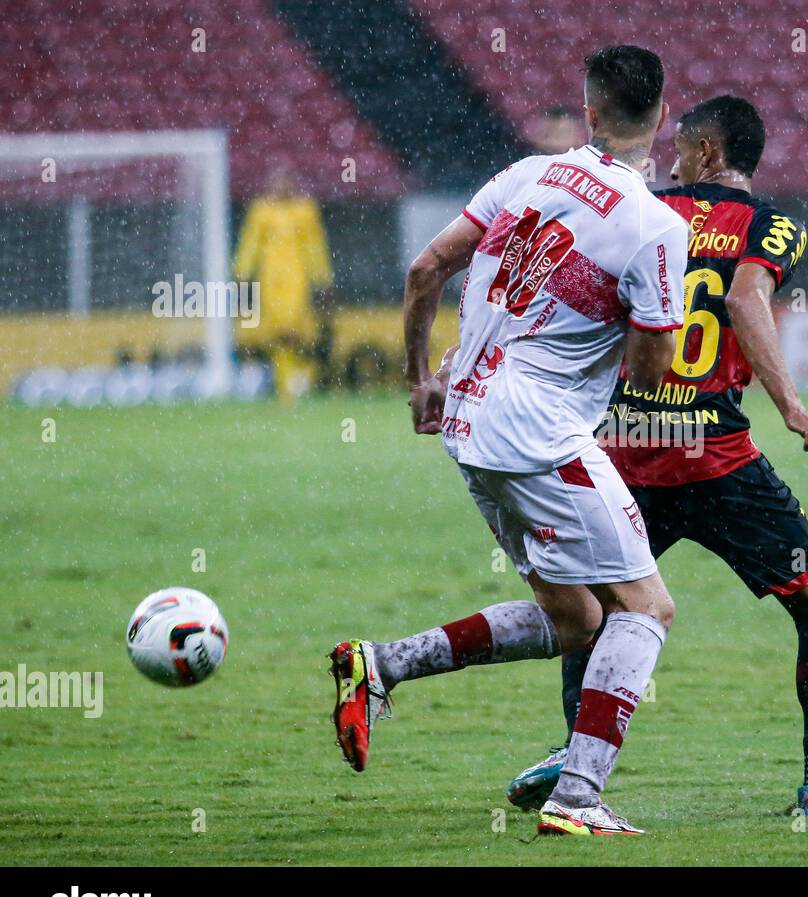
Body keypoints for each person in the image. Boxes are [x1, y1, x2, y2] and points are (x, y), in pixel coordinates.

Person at [329, 45, 689, 837]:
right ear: (662, 117)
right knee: (646, 609)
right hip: (537, 429)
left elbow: (427, 268)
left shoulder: (528, 175)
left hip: (466, 416)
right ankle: (578, 798)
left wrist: (420, 378)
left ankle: (381, 665)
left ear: (589, 114)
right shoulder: (656, 225)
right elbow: (657, 363)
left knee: (574, 622)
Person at [506, 96, 808, 817]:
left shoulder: (635, 208)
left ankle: (574, 751)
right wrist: (792, 407)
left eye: (680, 147)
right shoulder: (772, 226)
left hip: (625, 450)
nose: (669, 157)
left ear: (707, 154)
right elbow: (743, 297)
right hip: (716, 459)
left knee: (602, 606)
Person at [231, 168, 334, 403]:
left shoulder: (305, 211)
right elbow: (250, 244)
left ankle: (301, 379)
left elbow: (315, 246)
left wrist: (322, 277)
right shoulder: (261, 211)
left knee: (298, 334)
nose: (281, 187)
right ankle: (286, 388)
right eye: (276, 182)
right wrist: (242, 272)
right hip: (271, 279)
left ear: (293, 183)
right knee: (278, 335)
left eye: (285, 182)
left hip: (298, 278)